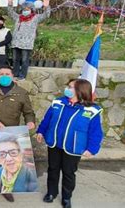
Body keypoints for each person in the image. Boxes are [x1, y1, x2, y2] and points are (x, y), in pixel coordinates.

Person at [37, 79, 103, 208]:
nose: (68, 88)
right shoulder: (58, 102)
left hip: (73, 147)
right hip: (54, 143)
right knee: (53, 169)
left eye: (71, 87)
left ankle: (66, 198)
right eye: (68, 86)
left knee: (68, 173)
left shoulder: (92, 110)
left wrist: (92, 149)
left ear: (80, 91)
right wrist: (41, 131)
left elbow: (96, 132)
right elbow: (47, 119)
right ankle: (51, 193)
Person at [0, 65, 35, 202]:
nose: (4, 76)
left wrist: (30, 121)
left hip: (9, 132)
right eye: (1, 74)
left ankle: (6, 188)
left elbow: (28, 112)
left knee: (6, 162)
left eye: (7, 74)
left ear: (13, 76)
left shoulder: (21, 93)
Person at [7, 0, 50, 80]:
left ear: (31, 10)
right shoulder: (18, 17)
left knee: (24, 60)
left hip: (27, 43)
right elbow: (10, 13)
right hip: (16, 42)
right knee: (15, 59)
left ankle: (22, 75)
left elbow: (46, 15)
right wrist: (10, 3)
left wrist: (46, 6)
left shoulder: (35, 18)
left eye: (27, 9)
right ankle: (15, 74)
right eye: (24, 9)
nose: (25, 10)